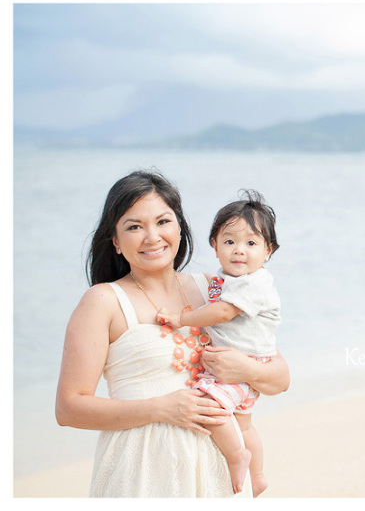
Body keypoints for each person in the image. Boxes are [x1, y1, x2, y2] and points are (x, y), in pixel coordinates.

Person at [55, 170, 290, 498]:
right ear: (116, 242)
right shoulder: (104, 301)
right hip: (141, 471)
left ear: (180, 226)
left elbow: (279, 379)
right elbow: (69, 409)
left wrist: (247, 369)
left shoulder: (217, 290)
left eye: (163, 221)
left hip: (218, 472)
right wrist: (160, 408)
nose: (152, 237)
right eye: (134, 227)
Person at [157, 190, 281, 497]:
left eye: (251, 243)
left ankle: (237, 457)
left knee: (210, 410)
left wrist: (181, 318)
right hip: (251, 367)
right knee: (245, 426)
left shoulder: (254, 283)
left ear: (268, 251)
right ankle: (259, 474)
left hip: (242, 368)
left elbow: (224, 311)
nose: (239, 250)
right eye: (229, 242)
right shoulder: (228, 280)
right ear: (214, 245)